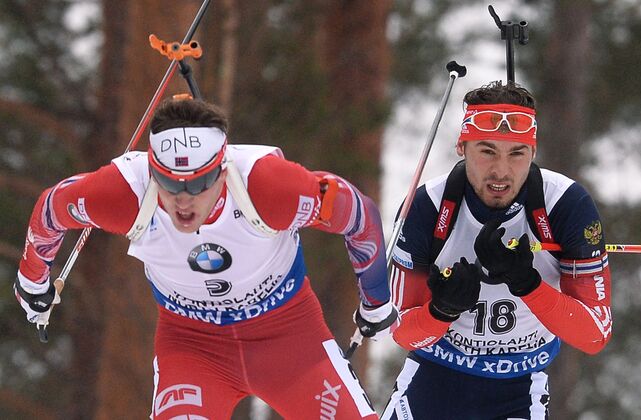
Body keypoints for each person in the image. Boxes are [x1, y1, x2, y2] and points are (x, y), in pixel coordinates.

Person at [13, 97, 398, 419]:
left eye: (197, 183)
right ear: (152, 171)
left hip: (290, 339)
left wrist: (376, 301)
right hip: (192, 347)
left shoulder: (269, 187)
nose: (183, 200)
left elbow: (358, 214)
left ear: (221, 169)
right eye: (168, 182)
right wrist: (32, 282)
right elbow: (53, 208)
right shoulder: (124, 193)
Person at [381, 81, 612, 419]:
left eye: (517, 153)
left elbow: (595, 335)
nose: (501, 171)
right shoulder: (426, 206)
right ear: (462, 147)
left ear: (533, 152)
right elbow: (402, 332)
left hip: (519, 388)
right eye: (486, 151)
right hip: (435, 378)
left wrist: (529, 286)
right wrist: (441, 311)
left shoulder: (565, 205)